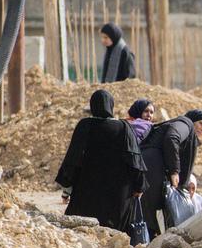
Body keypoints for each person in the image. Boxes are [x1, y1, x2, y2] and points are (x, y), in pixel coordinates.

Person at [54, 90, 147, 234]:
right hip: (117, 199)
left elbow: (73, 159)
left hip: (86, 194)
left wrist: (66, 189)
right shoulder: (124, 128)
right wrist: (139, 187)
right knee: (114, 237)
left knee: (83, 232)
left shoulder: (84, 125)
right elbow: (135, 161)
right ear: (111, 105)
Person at [139, 109, 202, 238]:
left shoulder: (188, 132)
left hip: (153, 167)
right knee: (150, 210)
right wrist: (174, 171)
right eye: (201, 124)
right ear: (193, 120)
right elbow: (172, 138)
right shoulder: (185, 123)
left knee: (152, 211)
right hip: (152, 166)